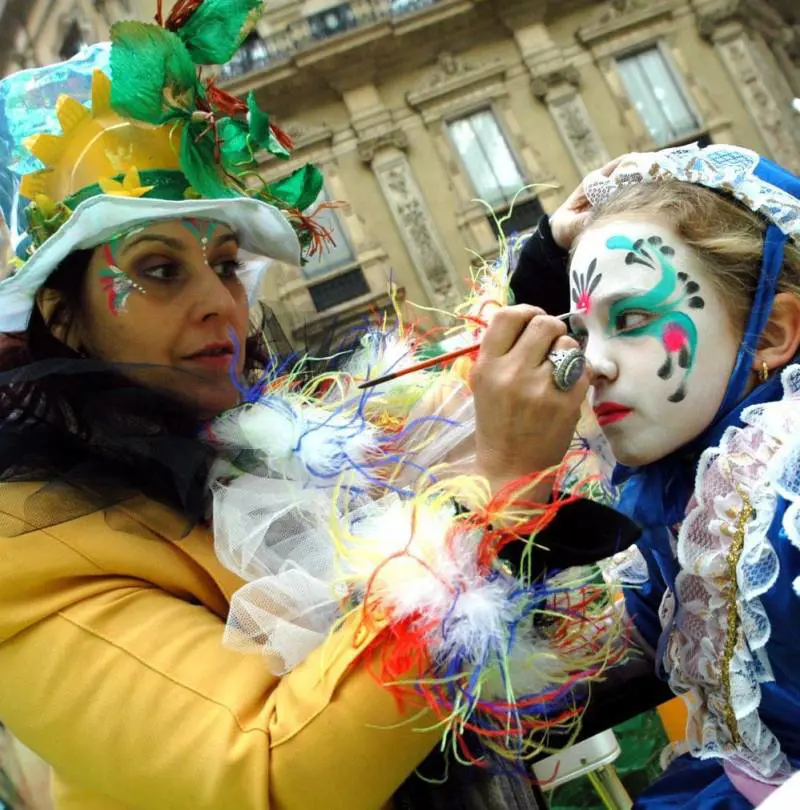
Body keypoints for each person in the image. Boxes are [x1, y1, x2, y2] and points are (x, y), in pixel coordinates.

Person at [0, 4, 636, 809]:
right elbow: (262, 778)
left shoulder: (248, 438)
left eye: (225, 265)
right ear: (60, 318)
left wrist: (541, 273)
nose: (219, 307)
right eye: (159, 270)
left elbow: (424, 421)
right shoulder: (25, 554)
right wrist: (495, 494)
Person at [505, 143, 800, 807]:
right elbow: (564, 649)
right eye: (580, 335)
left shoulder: (790, 491)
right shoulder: (694, 502)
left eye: (632, 319)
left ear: (773, 333)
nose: (592, 365)